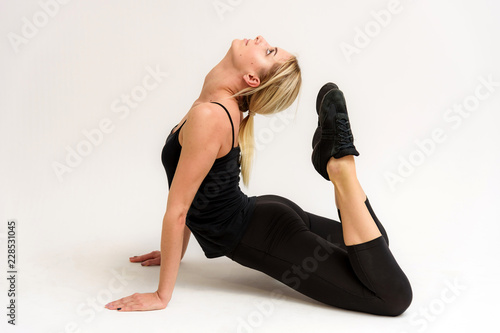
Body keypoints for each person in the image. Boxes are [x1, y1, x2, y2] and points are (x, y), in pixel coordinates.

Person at [105, 36, 412, 316]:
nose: (262, 40)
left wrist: (161, 295)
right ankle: (339, 168)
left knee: (394, 297)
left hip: (268, 234)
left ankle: (341, 170)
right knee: (376, 248)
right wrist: (173, 253)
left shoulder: (209, 113)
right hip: (265, 217)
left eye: (268, 51)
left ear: (252, 78)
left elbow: (179, 210)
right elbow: (190, 193)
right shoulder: (215, 108)